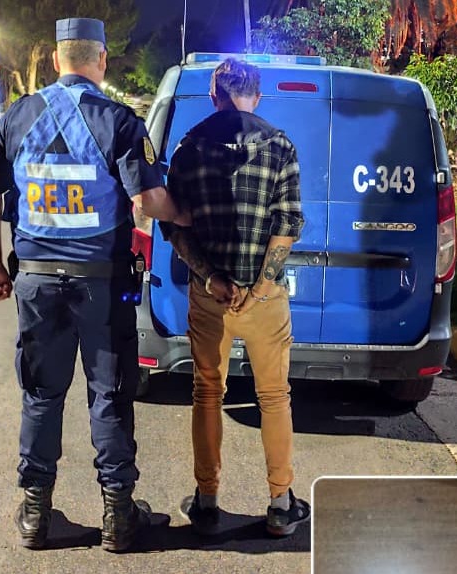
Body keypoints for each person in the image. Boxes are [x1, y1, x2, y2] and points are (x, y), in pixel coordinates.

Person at [0, 17, 186, 552]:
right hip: (102, 286)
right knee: (109, 395)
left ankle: (35, 515)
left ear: (55, 59)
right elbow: (148, 201)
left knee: (41, 396)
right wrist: (188, 216)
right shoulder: (119, 120)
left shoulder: (17, 116)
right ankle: (119, 516)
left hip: (36, 284)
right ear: (102, 60)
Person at [162, 58, 309, 537]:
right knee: (274, 396)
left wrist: (211, 278)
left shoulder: (189, 148)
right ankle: (281, 504)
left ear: (214, 96)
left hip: (211, 297)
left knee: (207, 393)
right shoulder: (280, 145)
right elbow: (288, 222)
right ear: (257, 96)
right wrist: (261, 286)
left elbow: (175, 225)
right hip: (264, 298)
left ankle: (207, 502)